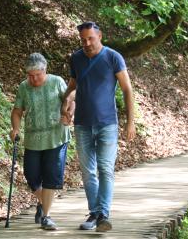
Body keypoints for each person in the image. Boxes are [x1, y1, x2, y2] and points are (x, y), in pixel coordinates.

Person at [61, 21, 136, 232]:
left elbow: (127, 90)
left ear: (99, 36)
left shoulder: (113, 57)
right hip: (82, 123)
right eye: (83, 39)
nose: (87, 43)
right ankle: (94, 213)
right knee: (88, 172)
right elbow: (73, 88)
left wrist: (130, 122)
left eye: (90, 38)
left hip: (107, 123)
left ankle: (103, 213)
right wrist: (65, 106)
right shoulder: (76, 58)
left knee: (105, 168)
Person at [10, 53, 72, 230]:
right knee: (31, 176)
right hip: (33, 139)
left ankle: (47, 216)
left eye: (37, 74)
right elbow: (17, 111)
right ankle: (43, 202)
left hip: (56, 137)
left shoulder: (56, 81)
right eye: (30, 75)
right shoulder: (24, 87)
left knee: (51, 176)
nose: (34, 78)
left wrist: (69, 114)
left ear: (45, 70)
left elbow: (70, 100)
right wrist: (15, 128)